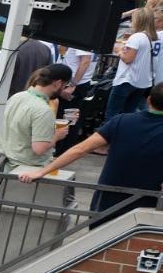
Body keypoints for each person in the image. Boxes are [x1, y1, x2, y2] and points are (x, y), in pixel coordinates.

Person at [21, 81, 163, 222]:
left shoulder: (121, 121)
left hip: (107, 199)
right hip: (146, 205)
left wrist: (42, 171)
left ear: (149, 100)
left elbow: (80, 149)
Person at [0, 64, 72, 173]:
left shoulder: (16, 96)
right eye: (65, 86)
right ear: (58, 83)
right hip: (24, 170)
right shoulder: (43, 110)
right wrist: (57, 136)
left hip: (2, 164)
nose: (64, 89)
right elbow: (39, 149)